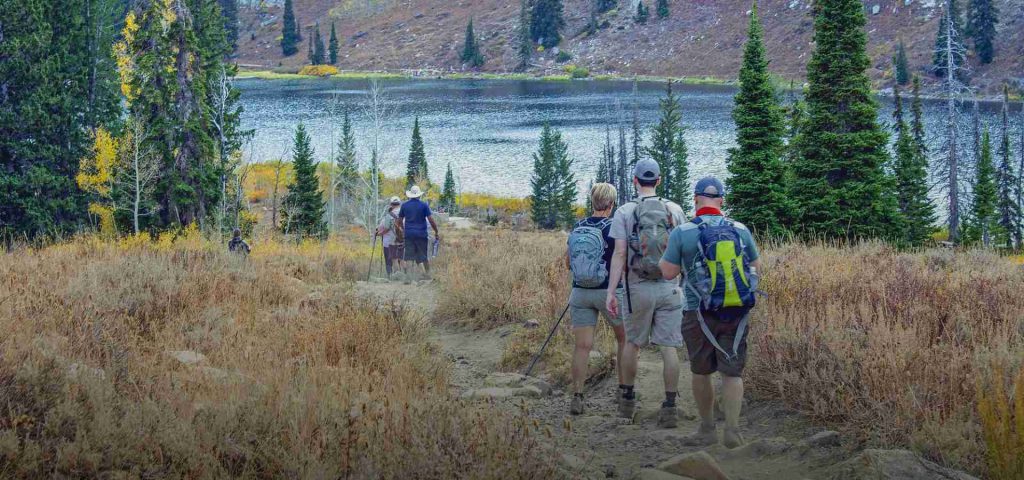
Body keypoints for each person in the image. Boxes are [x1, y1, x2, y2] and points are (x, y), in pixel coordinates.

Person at [659, 177, 761, 449]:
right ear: (722, 201)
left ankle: (706, 429)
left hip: (697, 311)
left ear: (695, 199)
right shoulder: (740, 229)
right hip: (736, 311)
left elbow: (668, 272)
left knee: (701, 371)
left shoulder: (683, 232)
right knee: (732, 372)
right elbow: (755, 267)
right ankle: (733, 430)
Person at [605, 159, 687, 428]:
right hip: (669, 286)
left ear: (635, 181)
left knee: (632, 343)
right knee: (669, 347)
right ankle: (670, 407)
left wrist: (611, 292)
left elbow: (619, 254)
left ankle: (627, 402)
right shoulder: (674, 209)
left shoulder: (625, 212)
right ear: (659, 180)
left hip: (636, 287)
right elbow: (684, 250)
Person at [565, 183, 628, 416]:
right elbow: (623, 261)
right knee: (624, 340)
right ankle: (624, 391)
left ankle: (578, 397)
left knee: (582, 347)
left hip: (580, 292)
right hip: (609, 292)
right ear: (611, 204)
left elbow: (567, 263)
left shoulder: (578, 226)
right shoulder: (614, 227)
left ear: (592, 202)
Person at [397, 185, 441, 282]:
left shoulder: (404, 205)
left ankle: (408, 277)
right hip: (421, 234)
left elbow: (399, 220)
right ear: (419, 195)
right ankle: (428, 275)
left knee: (408, 256)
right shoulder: (424, 205)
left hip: (409, 234)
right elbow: (431, 220)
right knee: (423, 256)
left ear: (410, 195)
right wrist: (436, 231)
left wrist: (404, 230)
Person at [376, 196, 404, 280]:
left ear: (391, 204)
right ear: (400, 204)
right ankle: (405, 276)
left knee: (391, 260)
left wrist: (379, 233)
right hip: (403, 240)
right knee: (401, 259)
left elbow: (384, 227)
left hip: (389, 242)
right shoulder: (405, 214)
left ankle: (390, 276)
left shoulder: (388, 215)